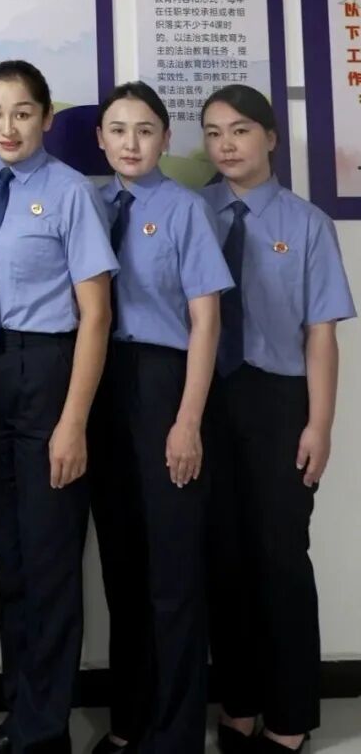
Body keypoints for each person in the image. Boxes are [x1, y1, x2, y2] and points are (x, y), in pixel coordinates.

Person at [0, 59, 115, 754]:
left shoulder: (71, 192)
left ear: (46, 118)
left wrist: (73, 421)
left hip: (49, 372)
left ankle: (46, 732)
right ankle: (21, 714)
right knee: (12, 556)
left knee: (50, 559)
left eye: (22, 113)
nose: (7, 127)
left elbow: (96, 314)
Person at [200, 85, 355, 754]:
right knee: (222, 555)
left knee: (280, 555)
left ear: (269, 137)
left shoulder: (307, 223)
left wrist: (320, 425)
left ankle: (289, 716)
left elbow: (321, 335)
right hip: (205, 399)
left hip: (279, 401)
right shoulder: (191, 213)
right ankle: (238, 703)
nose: (226, 144)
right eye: (213, 133)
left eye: (239, 130)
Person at [88, 81, 232, 754]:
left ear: (166, 139)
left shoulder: (184, 210)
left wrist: (188, 420)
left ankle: (174, 737)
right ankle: (129, 721)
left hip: (165, 382)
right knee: (121, 565)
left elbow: (207, 321)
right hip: (101, 384)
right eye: (118, 130)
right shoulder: (90, 204)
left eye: (145, 130)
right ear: (100, 139)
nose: (131, 143)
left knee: (172, 571)